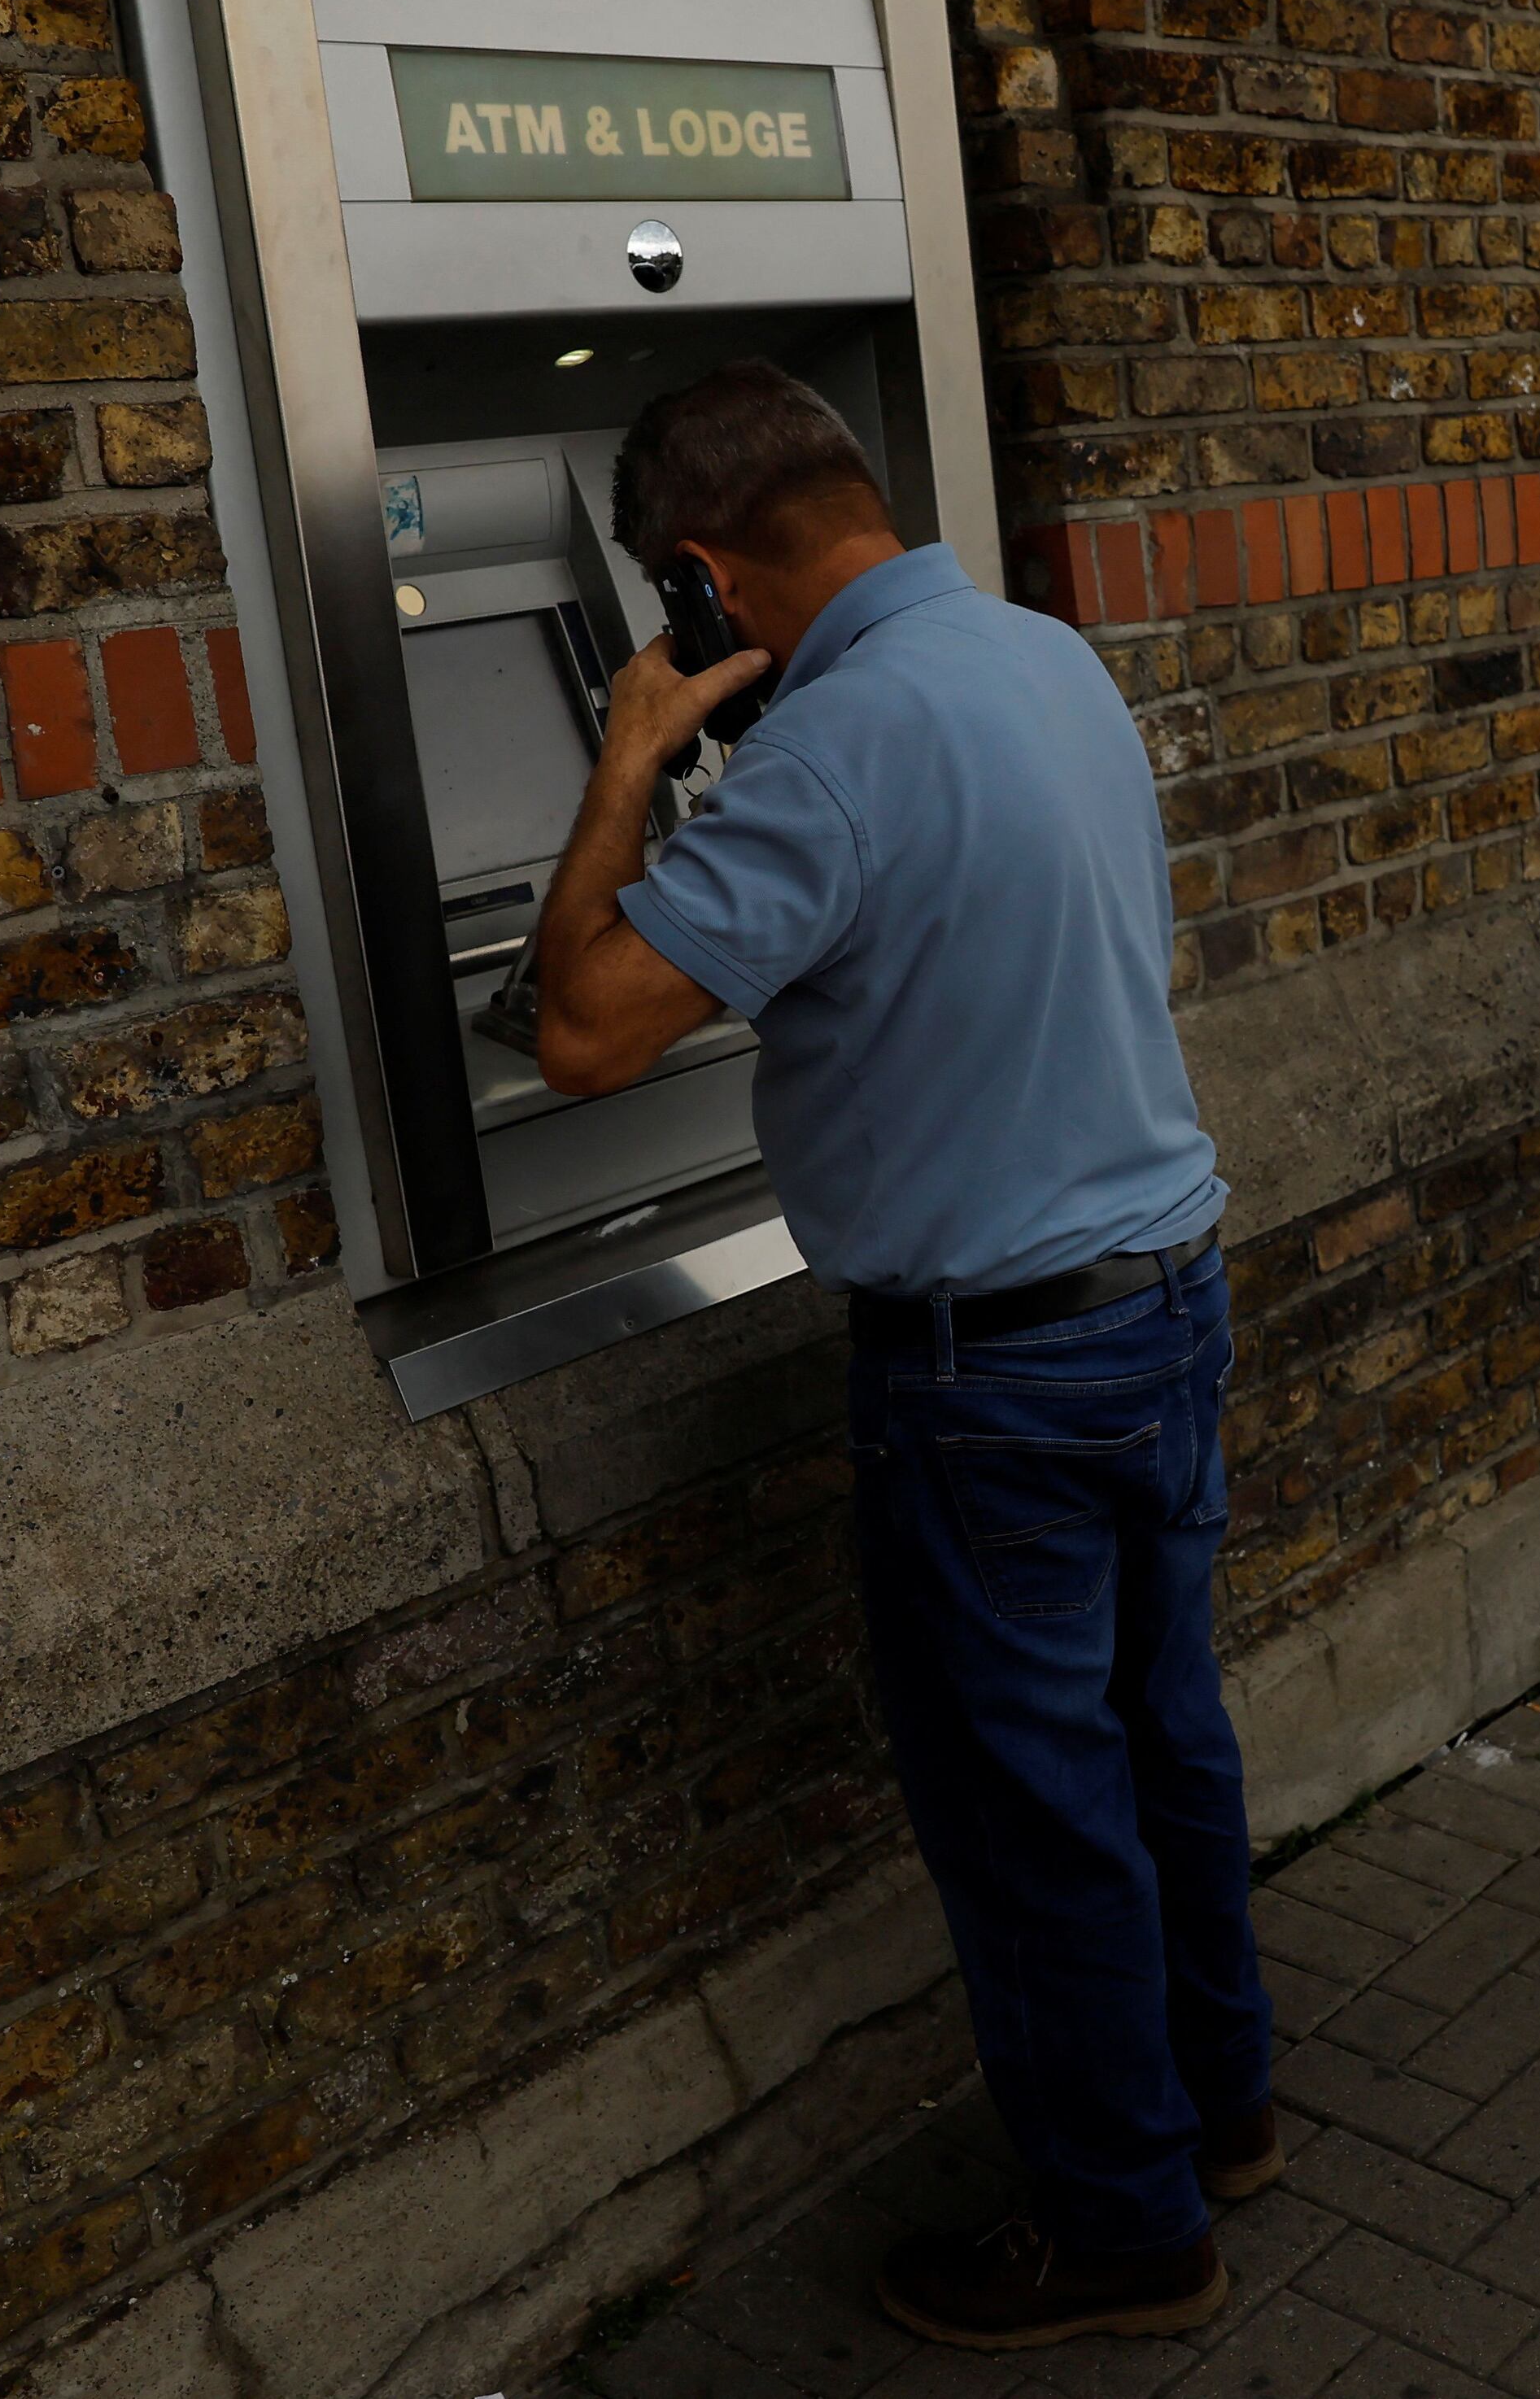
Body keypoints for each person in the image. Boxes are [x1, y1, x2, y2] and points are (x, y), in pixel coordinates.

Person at [531, 362, 1270, 2346]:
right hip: (1163, 1301)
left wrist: (622, 764)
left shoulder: (830, 751)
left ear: (698, 583)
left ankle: (1123, 2226)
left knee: (1034, 1812)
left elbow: (587, 1031)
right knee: (1161, 1739)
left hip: (994, 1382)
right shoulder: (1047, 657)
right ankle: (1220, 2111)